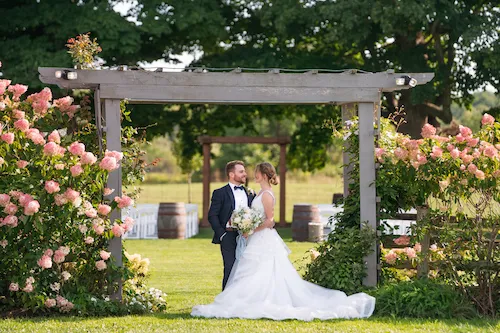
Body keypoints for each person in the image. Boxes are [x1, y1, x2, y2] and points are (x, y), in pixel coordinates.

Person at [192, 162, 375, 321]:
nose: (251, 175)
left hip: (261, 237)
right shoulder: (257, 193)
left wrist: (250, 229)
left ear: (263, 175)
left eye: (255, 172)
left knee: (264, 270)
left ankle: (257, 301)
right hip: (250, 237)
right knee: (245, 269)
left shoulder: (265, 194)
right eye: (245, 172)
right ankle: (237, 299)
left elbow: (270, 220)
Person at [207, 160, 273, 290]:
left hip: (249, 237)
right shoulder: (219, 193)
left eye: (244, 171)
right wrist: (222, 235)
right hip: (229, 236)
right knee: (230, 269)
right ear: (231, 174)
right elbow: (212, 215)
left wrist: (252, 230)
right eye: (241, 171)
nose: (245, 174)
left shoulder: (251, 193)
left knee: (247, 269)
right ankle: (226, 301)